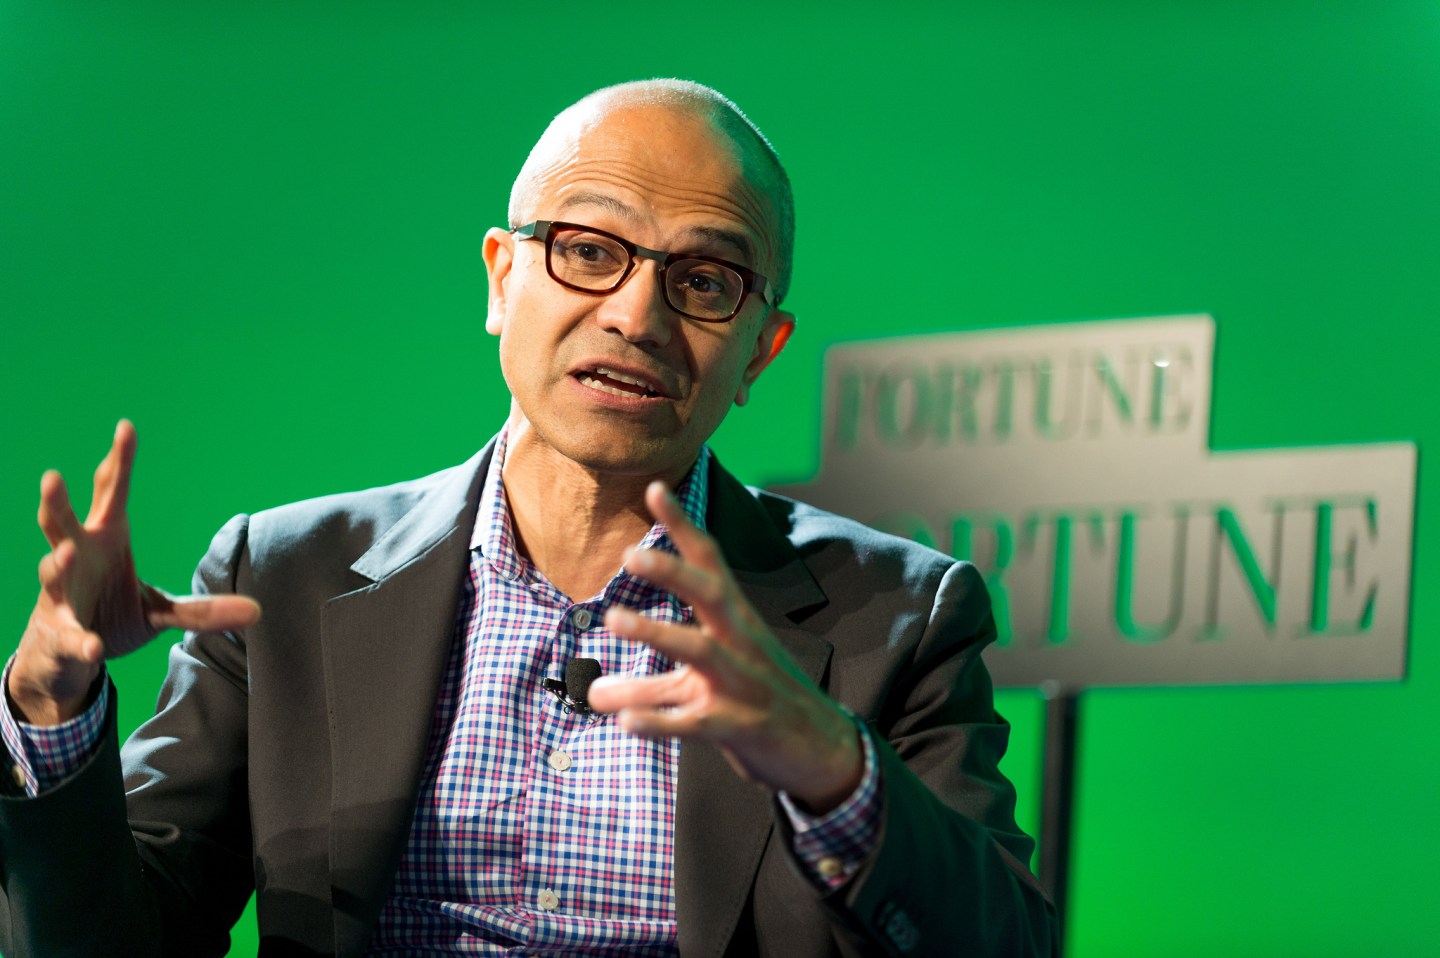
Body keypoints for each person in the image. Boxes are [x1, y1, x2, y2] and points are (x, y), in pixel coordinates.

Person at [0, 80, 1057, 957]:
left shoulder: (900, 616)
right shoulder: (282, 576)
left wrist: (833, 766)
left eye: (703, 279)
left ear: (759, 351)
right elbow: (108, 938)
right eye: (589, 251)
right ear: (503, 279)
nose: (636, 316)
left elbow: (1006, 941)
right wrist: (56, 703)